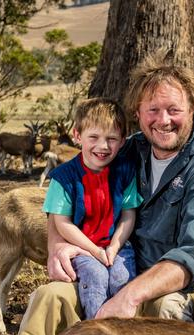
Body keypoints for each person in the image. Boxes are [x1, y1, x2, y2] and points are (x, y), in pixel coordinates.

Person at [12, 54, 194, 335]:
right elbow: (71, 182)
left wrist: (128, 296)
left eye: (174, 110)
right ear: (138, 111)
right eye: (153, 110)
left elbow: (191, 259)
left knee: (164, 307)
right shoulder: (129, 150)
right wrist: (57, 245)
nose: (163, 120)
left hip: (192, 287)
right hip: (121, 272)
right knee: (50, 297)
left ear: (192, 110)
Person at [43, 98, 142, 320]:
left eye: (112, 139)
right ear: (77, 136)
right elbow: (62, 223)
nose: (103, 146)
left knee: (121, 276)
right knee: (96, 275)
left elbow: (128, 215)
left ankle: (124, 332)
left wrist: (115, 246)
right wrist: (93, 251)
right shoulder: (64, 177)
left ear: (123, 141)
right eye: (94, 137)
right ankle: (96, 330)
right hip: (81, 245)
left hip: (115, 244)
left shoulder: (125, 171)